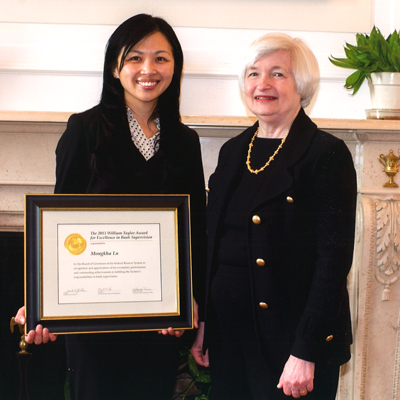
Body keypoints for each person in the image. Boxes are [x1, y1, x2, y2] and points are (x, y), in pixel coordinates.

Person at [15, 14, 206, 400]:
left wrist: (189, 299)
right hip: (95, 320)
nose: (148, 69)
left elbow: (195, 231)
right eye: (135, 58)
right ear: (115, 66)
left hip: (160, 322)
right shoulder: (83, 130)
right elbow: (57, 224)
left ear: (176, 67)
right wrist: (41, 300)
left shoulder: (185, 141)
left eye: (161, 58)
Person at [191, 32, 357, 400]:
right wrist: (204, 325)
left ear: (303, 85)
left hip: (290, 343)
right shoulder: (233, 152)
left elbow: (333, 262)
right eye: (253, 74)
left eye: (278, 74)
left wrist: (306, 351)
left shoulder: (326, 155)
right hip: (229, 338)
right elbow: (214, 244)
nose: (262, 84)